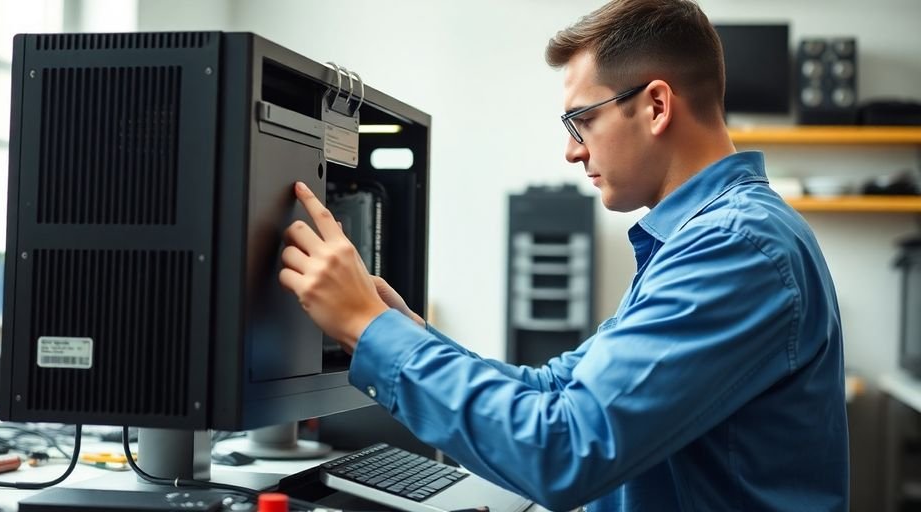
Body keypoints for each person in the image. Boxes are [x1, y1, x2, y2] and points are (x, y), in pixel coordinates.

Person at [278, 0, 848, 509]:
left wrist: (367, 326)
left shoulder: (735, 247)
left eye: (581, 121)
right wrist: (404, 332)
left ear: (655, 106)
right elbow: (556, 391)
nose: (572, 150)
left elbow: (567, 448)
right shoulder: (700, 238)